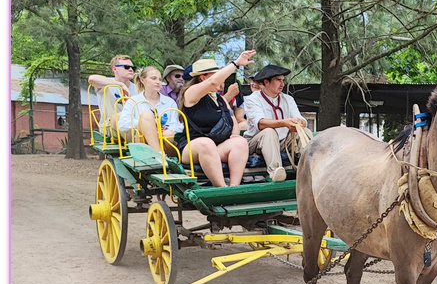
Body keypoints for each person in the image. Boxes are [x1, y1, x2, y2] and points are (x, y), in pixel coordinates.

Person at [176, 51, 255, 187]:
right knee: (206, 143)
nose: (221, 79)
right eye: (216, 75)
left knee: (240, 142)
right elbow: (213, 82)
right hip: (193, 147)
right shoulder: (191, 93)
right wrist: (236, 63)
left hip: (217, 147)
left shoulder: (219, 99)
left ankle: (233, 187)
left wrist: (235, 136)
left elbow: (231, 120)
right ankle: (221, 188)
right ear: (202, 78)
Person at [243, 64, 307, 182]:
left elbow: (299, 116)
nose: (282, 84)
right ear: (266, 82)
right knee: (268, 131)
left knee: (304, 131)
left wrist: (300, 122)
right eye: (278, 80)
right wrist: (284, 122)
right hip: (256, 143)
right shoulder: (252, 99)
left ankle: (309, 168)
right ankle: (275, 171)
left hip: (283, 142)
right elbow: (261, 123)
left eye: (283, 80)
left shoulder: (288, 99)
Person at [116, 66, 183, 156]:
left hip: (166, 142)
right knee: (147, 115)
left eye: (159, 79)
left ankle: (162, 155)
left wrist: (162, 129)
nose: (158, 82)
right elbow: (123, 124)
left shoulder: (169, 102)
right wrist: (149, 124)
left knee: (169, 134)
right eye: (153, 78)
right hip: (142, 142)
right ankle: (159, 154)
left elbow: (178, 126)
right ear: (143, 80)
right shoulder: (133, 101)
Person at [87, 54, 136, 131]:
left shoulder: (137, 88)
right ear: (115, 69)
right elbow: (92, 79)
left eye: (133, 68)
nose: (130, 69)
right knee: (121, 117)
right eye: (126, 67)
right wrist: (121, 85)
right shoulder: (106, 83)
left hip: (133, 126)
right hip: (110, 128)